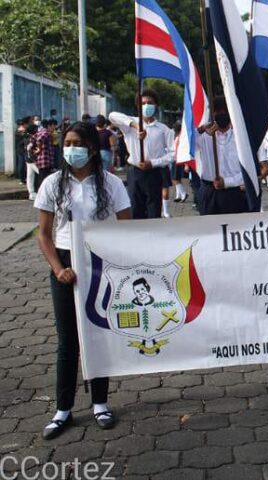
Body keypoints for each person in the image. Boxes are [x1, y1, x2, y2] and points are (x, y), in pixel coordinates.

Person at [34, 121, 131, 440]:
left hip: (99, 263)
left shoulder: (111, 184)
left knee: (98, 334)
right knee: (68, 340)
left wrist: (114, 263)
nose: (70, 148)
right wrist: (58, 268)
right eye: (67, 142)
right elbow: (44, 234)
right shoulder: (52, 183)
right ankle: (63, 409)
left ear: (91, 148)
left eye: (77, 142)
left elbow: (127, 228)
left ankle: (100, 403)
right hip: (65, 264)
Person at [109, 89, 175, 219]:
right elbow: (112, 115)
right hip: (135, 172)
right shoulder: (129, 124)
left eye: (149, 103)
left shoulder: (164, 129)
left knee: (153, 210)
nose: (146, 106)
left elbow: (173, 154)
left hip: (154, 173)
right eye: (143, 103)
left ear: (156, 105)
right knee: (135, 209)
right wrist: (135, 125)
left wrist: (154, 163)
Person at [195, 96, 249, 215]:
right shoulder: (204, 136)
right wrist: (201, 129)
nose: (222, 114)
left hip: (233, 193)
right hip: (209, 192)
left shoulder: (241, 138)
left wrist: (228, 182)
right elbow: (186, 144)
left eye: (225, 111)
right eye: (218, 111)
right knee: (209, 230)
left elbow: (247, 170)